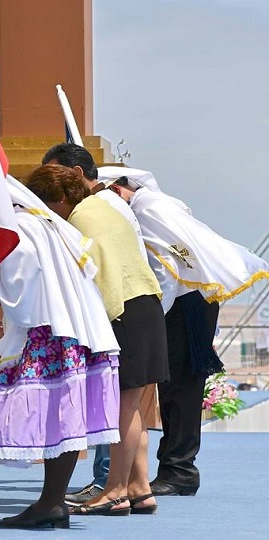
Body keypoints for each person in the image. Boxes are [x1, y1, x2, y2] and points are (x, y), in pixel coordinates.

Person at [0, 175, 121, 529]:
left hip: (48, 330)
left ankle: (51, 502)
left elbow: (19, 284)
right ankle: (53, 501)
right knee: (65, 418)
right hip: (73, 328)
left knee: (56, 417)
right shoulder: (44, 221)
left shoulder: (22, 226)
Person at [99, 166, 269, 496]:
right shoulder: (160, 204)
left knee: (180, 389)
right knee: (178, 388)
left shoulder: (147, 209)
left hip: (183, 303)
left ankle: (179, 470)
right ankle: (177, 467)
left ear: (117, 190)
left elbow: (166, 267)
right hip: (192, 300)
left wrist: (150, 316)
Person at [26, 164, 169, 516]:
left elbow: (97, 274)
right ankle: (139, 488)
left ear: (59, 199)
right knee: (131, 406)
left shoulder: (81, 219)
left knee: (121, 408)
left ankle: (116, 491)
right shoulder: (103, 206)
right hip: (144, 308)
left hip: (122, 310)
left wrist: (91, 329)